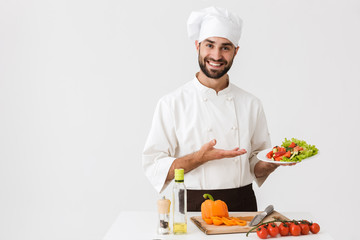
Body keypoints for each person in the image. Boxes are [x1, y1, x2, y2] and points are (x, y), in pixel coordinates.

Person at [142, 6, 281, 212]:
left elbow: (256, 166)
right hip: (192, 207)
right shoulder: (172, 104)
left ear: (236, 51)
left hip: (242, 205)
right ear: (197, 46)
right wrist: (200, 158)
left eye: (225, 47)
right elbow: (154, 166)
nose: (216, 55)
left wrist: (274, 162)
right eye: (210, 45)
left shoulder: (251, 104)